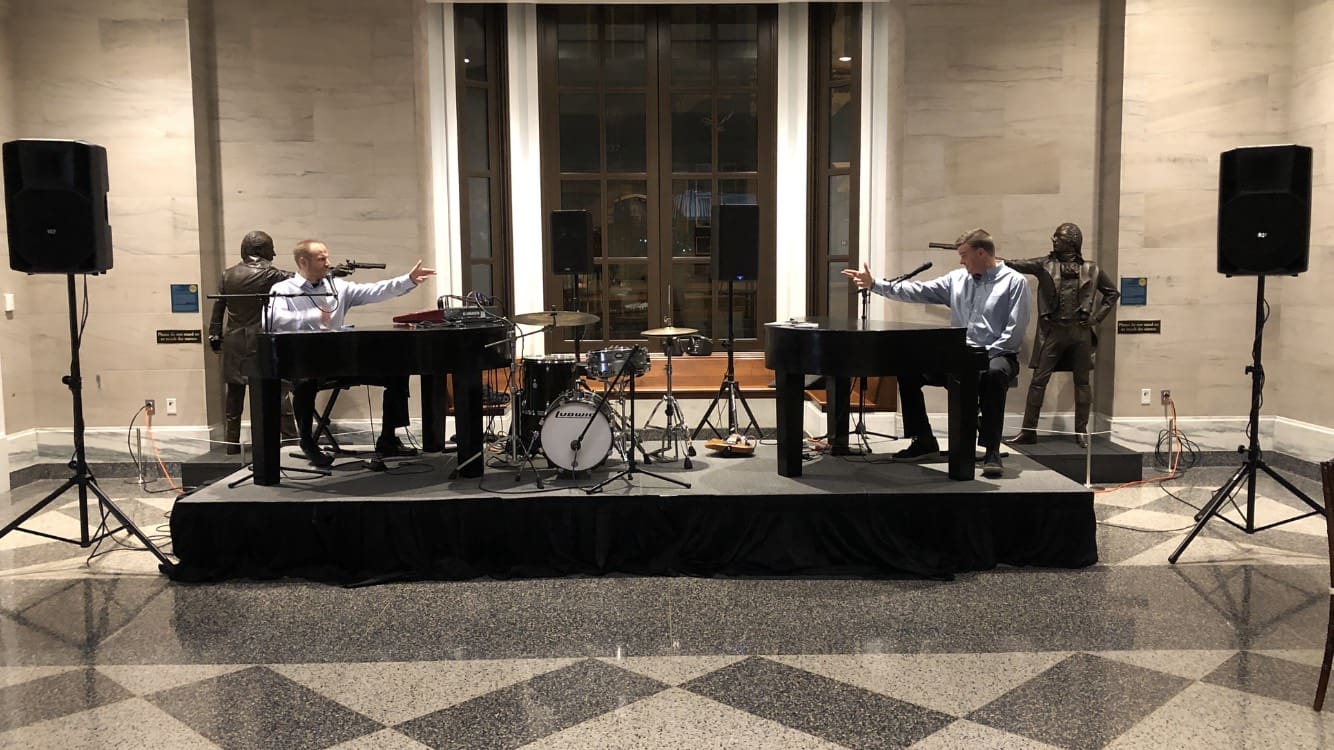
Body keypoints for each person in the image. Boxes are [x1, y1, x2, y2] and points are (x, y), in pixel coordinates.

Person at [841, 229, 1029, 478]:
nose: (961, 261)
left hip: (998, 354)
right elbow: (917, 291)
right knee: (909, 370)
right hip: (961, 354)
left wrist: (981, 359)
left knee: (994, 375)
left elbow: (1014, 332)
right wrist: (875, 285)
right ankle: (923, 440)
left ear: (981, 252)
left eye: (964, 255)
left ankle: (991, 450)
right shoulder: (956, 280)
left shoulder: (1014, 282)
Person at [267, 239, 436, 467]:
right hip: (304, 363)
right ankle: (307, 443)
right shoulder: (282, 290)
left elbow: (374, 291)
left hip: (340, 362)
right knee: (304, 382)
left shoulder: (338, 287)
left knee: (396, 370)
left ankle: (388, 439)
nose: (328, 263)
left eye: (327, 257)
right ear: (302, 261)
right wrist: (312, 318)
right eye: (321, 259)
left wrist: (408, 280)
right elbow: (273, 321)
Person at [1003, 223, 1119, 448]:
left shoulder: (1092, 269)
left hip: (1080, 333)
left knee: (1082, 383)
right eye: (1054, 237)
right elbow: (1015, 263)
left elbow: (1112, 293)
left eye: (1059, 238)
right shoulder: (1044, 264)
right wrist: (992, 258)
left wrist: (1096, 318)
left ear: (1073, 242)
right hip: (1053, 332)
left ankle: (1081, 431)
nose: (1054, 240)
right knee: (1038, 381)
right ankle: (1028, 431)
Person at [207, 230, 298, 453]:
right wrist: (330, 272)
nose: (274, 254)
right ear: (259, 250)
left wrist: (214, 333)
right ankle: (289, 441)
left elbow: (219, 307)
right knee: (279, 390)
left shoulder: (227, 274)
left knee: (235, 395)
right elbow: (302, 280)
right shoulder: (270, 274)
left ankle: (231, 444)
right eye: (270, 248)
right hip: (261, 341)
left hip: (234, 340)